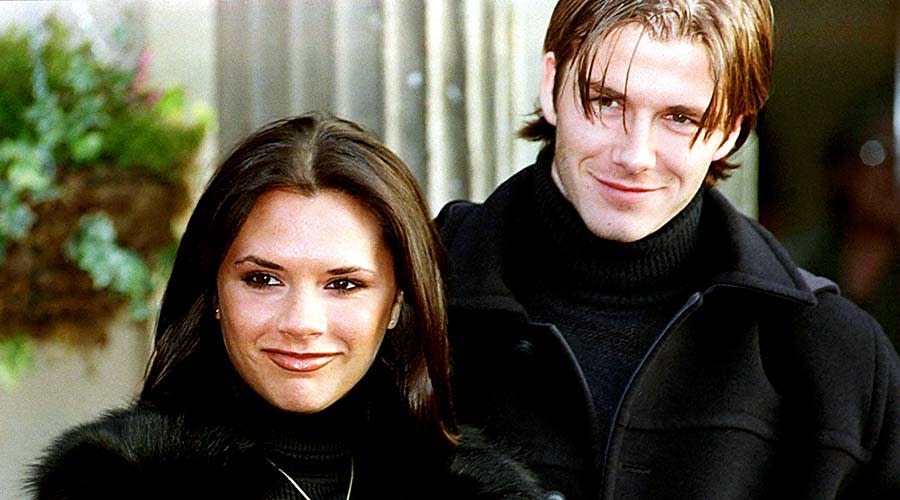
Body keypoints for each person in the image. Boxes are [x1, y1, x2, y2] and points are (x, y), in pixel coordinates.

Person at [436, 1, 900, 499]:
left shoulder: (834, 357)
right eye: (606, 102)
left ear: (733, 130)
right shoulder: (408, 295)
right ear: (551, 86)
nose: (634, 155)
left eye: (679, 117)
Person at [28, 112, 543, 499]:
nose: (301, 323)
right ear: (212, 294)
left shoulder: (480, 490)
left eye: (343, 285)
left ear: (397, 303)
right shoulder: (116, 482)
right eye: (262, 279)